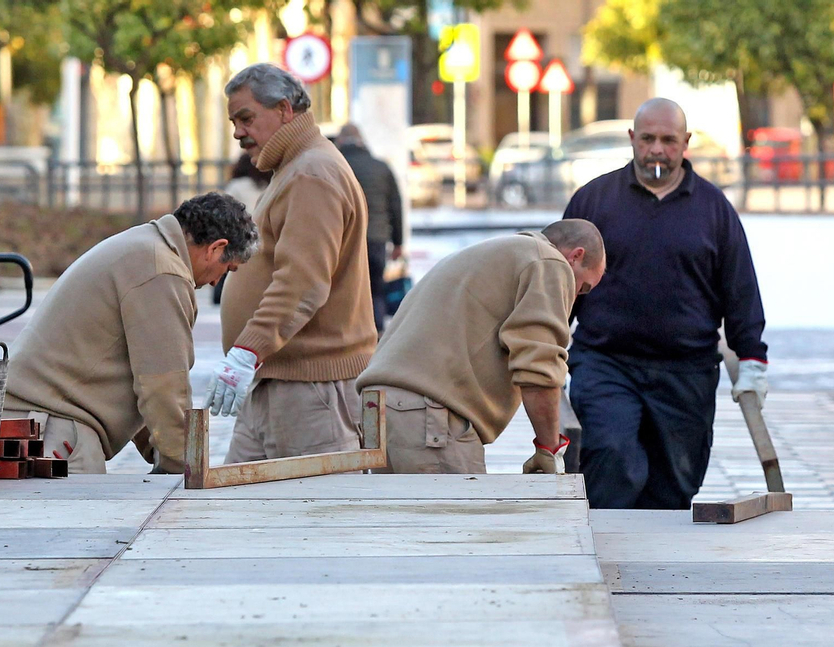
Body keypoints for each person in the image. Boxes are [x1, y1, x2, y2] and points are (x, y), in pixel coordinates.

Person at [563, 98, 768, 509]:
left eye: (668, 141)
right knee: (613, 458)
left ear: (686, 142)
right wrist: (544, 342)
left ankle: (658, 569)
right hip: (606, 362)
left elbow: (740, 288)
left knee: (674, 485)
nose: (657, 149)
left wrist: (752, 360)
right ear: (632, 139)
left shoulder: (714, 210)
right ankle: (606, 555)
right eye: (648, 139)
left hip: (685, 371)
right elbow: (559, 281)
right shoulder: (594, 202)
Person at [3, 192, 257, 473]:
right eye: (226, 268)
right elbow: (163, 387)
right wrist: (185, 471)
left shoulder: (144, 247)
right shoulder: (162, 272)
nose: (215, 282)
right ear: (215, 248)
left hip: (35, 421)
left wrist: (163, 451)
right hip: (53, 428)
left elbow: (144, 380)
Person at [212, 63, 377, 463]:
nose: (237, 132)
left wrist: (247, 350)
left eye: (246, 118)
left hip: (310, 389)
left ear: (285, 110)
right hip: (280, 378)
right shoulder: (295, 167)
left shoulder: (311, 172)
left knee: (314, 519)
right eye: (234, 121)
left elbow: (302, 282)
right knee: (240, 515)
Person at [355, 220, 606, 474]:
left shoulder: (496, 253)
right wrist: (549, 449)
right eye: (582, 289)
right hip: (428, 416)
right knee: (459, 513)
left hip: (377, 408)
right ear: (576, 256)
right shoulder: (549, 263)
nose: (575, 299)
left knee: (400, 514)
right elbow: (539, 369)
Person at [334, 123, 405, 332]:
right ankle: (376, 334)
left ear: (340, 142)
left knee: (345, 291)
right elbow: (395, 206)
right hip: (376, 238)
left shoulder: (335, 166)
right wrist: (398, 242)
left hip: (343, 240)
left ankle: (350, 336)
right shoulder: (381, 167)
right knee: (376, 290)